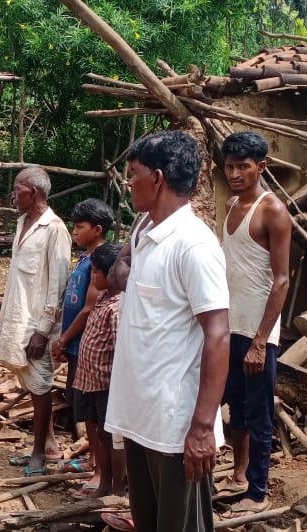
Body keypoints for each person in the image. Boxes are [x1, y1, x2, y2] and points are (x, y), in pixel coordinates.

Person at [103, 130, 229, 532]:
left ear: (157, 178)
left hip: (176, 428)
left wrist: (202, 429)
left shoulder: (193, 246)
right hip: (141, 417)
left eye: (132, 173)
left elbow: (218, 334)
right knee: (150, 522)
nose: (127, 182)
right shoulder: (145, 231)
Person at [217, 131, 291, 516]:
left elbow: (281, 280)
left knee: (260, 415)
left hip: (257, 331)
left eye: (243, 166)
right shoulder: (230, 205)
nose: (235, 173)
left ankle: (258, 492)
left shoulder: (273, 211)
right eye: (229, 166)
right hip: (229, 327)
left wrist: (261, 340)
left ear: (261, 167)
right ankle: (239, 474)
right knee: (235, 408)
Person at [0, 167, 71, 477]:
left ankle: (39, 453)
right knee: (30, 383)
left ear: (34, 193)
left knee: (40, 388)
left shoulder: (55, 230)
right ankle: (48, 445)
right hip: (17, 317)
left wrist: (43, 330)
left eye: (18, 188)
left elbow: (59, 284)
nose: (13, 194)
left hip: (37, 324)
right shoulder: (23, 223)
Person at [51, 198, 114, 473]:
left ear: (97, 230)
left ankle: (97, 463)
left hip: (87, 347)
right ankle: (93, 460)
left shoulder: (99, 261)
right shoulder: (86, 258)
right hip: (78, 345)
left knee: (92, 410)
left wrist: (64, 339)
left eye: (80, 227)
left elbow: (89, 308)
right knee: (85, 408)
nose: (74, 232)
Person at [71, 242, 125, 499]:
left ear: (112, 274)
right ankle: (104, 481)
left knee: (112, 437)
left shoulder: (116, 309)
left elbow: (119, 351)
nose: (92, 277)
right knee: (101, 435)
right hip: (91, 381)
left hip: (106, 384)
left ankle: (115, 488)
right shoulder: (102, 299)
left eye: (95, 272)